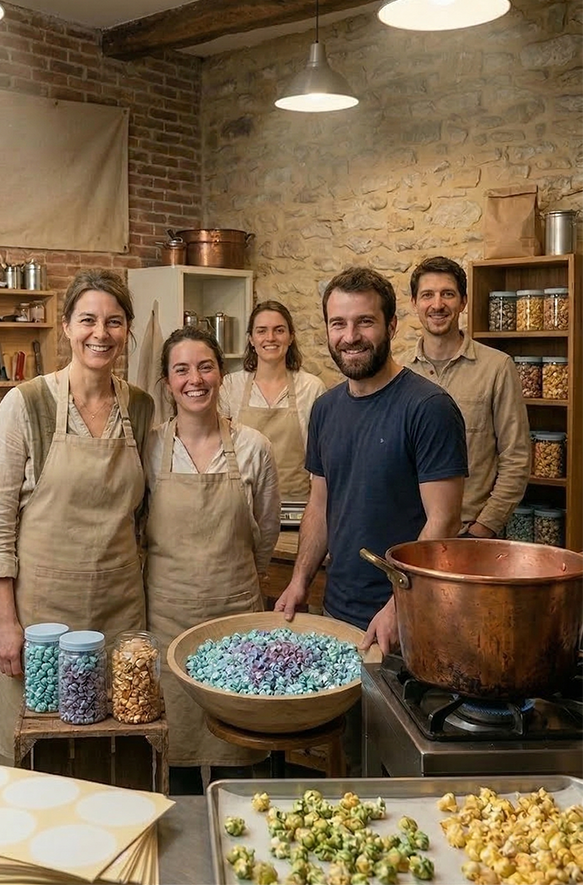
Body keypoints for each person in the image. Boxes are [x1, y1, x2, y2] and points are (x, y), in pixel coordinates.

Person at [0, 268, 154, 757]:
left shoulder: (140, 408)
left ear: (127, 330)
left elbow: (144, 517)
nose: (101, 334)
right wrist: (6, 623)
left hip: (120, 610)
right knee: (44, 750)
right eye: (88, 320)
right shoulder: (26, 405)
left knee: (118, 749)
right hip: (42, 618)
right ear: (68, 327)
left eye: (115, 322)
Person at [276, 267, 468, 654]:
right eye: (338, 324)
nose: (350, 337)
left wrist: (399, 605)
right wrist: (300, 580)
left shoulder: (428, 408)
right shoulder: (326, 409)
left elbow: (443, 521)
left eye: (365, 322)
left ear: (392, 325)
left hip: (409, 620)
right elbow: (320, 503)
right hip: (336, 610)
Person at [144, 326, 280, 781]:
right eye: (181, 369)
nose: (194, 379)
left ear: (222, 374)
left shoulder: (253, 447)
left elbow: (266, 533)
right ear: (167, 382)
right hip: (167, 619)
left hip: (235, 618)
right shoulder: (151, 446)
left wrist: (236, 580)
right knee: (177, 746)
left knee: (237, 747)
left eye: (205, 367)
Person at [408, 255, 531, 538]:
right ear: (414, 303)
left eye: (447, 294)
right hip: (409, 534)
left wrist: (483, 528)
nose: (437, 304)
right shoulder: (399, 371)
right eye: (427, 295)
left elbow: (516, 458)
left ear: (463, 301)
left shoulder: (497, 367)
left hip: (469, 534)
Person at [220, 300, 327, 502]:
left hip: (297, 504)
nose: (270, 338)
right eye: (261, 331)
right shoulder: (230, 386)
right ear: (251, 339)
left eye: (279, 330)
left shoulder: (312, 387)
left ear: (291, 337)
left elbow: (322, 457)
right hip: (243, 503)